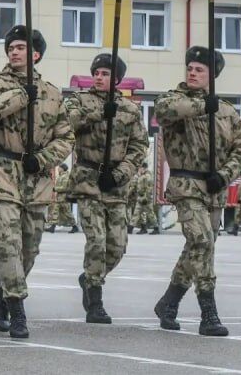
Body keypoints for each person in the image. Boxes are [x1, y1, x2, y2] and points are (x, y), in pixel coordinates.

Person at [0, 26, 72, 340]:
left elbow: (66, 137)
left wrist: (43, 159)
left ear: (36, 54)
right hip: (1, 170)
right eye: (11, 47)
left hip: (36, 175)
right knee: (8, 242)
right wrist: (19, 97)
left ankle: (3, 295)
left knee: (30, 246)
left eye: (21, 47)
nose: (14, 52)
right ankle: (17, 308)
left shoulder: (53, 93)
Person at [153, 46, 241, 337]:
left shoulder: (226, 111)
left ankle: (169, 302)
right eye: (190, 68)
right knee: (201, 240)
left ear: (213, 75)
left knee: (201, 247)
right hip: (186, 185)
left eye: (199, 69)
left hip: (214, 188)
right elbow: (165, 111)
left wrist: (224, 175)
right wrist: (201, 106)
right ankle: (208, 312)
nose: (192, 73)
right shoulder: (175, 98)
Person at [64, 53, 149, 324]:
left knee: (117, 245)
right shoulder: (79, 100)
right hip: (88, 179)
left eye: (106, 74)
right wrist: (100, 112)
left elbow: (139, 146)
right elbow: (66, 124)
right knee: (97, 240)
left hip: (116, 184)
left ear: (117, 79)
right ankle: (95, 300)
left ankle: (90, 277)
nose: (99, 78)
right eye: (96, 73)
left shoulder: (131, 110)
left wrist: (121, 174)